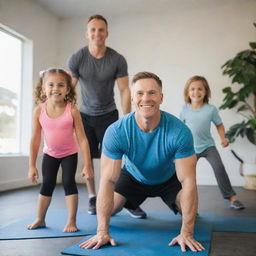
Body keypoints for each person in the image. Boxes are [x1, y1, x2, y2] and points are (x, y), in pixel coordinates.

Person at [79, 72, 205, 252]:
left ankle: (186, 213)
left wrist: (187, 232)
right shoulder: (117, 131)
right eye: (140, 93)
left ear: (161, 98)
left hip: (168, 178)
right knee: (110, 210)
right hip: (133, 176)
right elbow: (108, 180)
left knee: (188, 209)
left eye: (152, 93)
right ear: (132, 98)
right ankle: (129, 204)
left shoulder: (179, 131)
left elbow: (188, 181)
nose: (146, 98)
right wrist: (102, 232)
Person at [68, 14, 145, 218]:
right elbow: (70, 88)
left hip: (109, 114)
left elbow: (125, 90)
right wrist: (61, 111)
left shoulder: (117, 59)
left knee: (115, 158)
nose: (97, 33)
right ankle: (93, 196)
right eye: (93, 29)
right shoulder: (77, 58)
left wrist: (129, 118)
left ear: (107, 33)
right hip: (84, 116)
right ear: (87, 33)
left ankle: (122, 197)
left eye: (101, 30)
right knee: (87, 158)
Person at [27, 68, 93, 232]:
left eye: (61, 85)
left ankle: (71, 221)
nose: (55, 89)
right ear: (43, 88)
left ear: (68, 89)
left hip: (69, 154)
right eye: (51, 85)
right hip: (50, 154)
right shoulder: (39, 110)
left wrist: (87, 164)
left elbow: (83, 139)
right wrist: (32, 165)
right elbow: (35, 139)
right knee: (47, 184)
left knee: (68, 182)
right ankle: (40, 219)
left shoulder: (72, 110)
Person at [180, 75, 245, 210]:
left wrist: (223, 138)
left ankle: (232, 198)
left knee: (219, 168)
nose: (196, 92)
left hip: (208, 146)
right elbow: (180, 128)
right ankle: (187, 206)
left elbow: (219, 125)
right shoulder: (185, 109)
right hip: (190, 148)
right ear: (187, 92)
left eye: (200, 89)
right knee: (187, 176)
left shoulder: (211, 109)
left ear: (206, 91)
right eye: (192, 89)